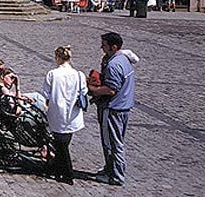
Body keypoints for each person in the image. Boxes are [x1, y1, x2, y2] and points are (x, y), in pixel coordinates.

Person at [88, 32, 136, 186]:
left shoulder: (114, 65)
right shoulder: (122, 59)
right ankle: (110, 169)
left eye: (104, 44)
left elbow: (110, 89)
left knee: (112, 143)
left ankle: (116, 176)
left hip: (113, 108)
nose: (101, 47)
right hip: (124, 107)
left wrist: (93, 90)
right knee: (116, 141)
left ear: (113, 47)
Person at [41, 45, 87, 185]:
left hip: (57, 113)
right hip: (73, 115)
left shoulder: (53, 74)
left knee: (61, 145)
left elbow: (46, 94)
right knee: (63, 143)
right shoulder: (79, 75)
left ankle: (66, 173)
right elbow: (83, 92)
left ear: (57, 57)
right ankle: (58, 169)